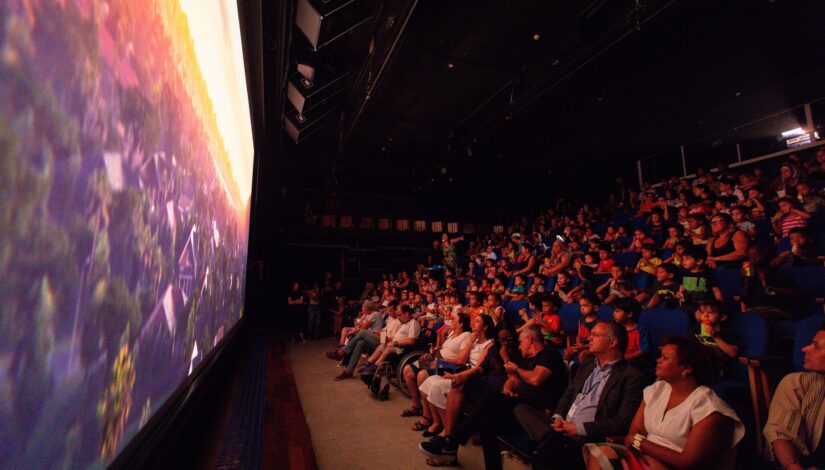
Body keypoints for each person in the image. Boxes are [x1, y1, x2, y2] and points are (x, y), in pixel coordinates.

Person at [584, 335, 745, 470]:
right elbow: (634, 432)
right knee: (602, 453)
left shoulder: (710, 409)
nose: (658, 360)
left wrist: (643, 445)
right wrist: (646, 452)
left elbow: (687, 462)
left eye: (665, 357)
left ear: (686, 368)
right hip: (647, 459)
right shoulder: (656, 390)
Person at [419, 325, 568, 470]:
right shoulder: (526, 358)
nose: (519, 346)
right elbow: (514, 379)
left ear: (529, 339)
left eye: (520, 341)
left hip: (536, 410)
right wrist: (508, 386)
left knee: (491, 397)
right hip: (518, 404)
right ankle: (479, 459)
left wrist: (515, 370)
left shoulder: (549, 354)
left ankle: (452, 441)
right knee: (487, 422)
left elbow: (536, 378)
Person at [513, 320, 647, 470]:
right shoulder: (588, 364)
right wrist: (558, 416)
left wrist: (578, 428)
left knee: (546, 452)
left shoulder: (631, 376)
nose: (589, 338)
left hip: (586, 435)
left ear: (612, 342)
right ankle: (552, 438)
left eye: (595, 335)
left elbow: (622, 421)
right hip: (563, 425)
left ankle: (552, 441)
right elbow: (568, 394)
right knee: (521, 409)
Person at [763, 322, 825, 470]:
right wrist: (793, 466)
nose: (805, 349)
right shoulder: (797, 383)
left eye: (816, 346)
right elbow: (780, 432)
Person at [404, 312, 472, 433]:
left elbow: (461, 359)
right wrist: (432, 353)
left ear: (461, 324)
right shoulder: (451, 333)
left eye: (455, 320)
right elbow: (442, 348)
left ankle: (427, 416)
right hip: (436, 358)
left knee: (422, 375)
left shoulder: (466, 335)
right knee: (407, 370)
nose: (452, 320)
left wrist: (442, 361)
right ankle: (417, 405)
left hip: (447, 365)